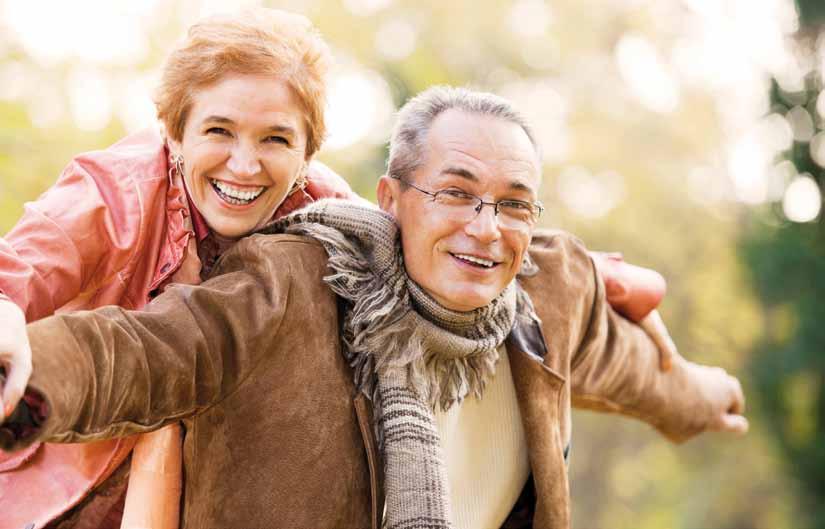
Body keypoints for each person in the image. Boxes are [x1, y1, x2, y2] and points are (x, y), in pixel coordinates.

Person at [0, 86, 747, 529]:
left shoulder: (548, 291)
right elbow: (143, 350)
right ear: (390, 200)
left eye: (513, 205)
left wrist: (706, 399)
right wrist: (25, 375)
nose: (485, 228)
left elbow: (627, 367)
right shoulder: (295, 283)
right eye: (454, 193)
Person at [0, 8, 358, 529]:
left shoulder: (330, 221)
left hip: (212, 488)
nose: (244, 164)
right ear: (174, 133)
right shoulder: (113, 192)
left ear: (307, 154)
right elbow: (18, 269)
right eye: (219, 130)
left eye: (275, 139)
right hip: (68, 479)